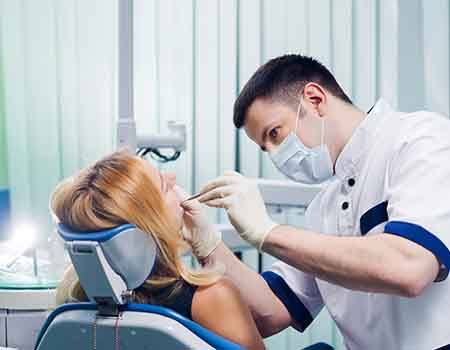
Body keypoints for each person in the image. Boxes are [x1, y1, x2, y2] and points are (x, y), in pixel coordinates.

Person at [181, 55, 450, 349]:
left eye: (274, 133)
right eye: (264, 147)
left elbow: (410, 267)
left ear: (315, 99)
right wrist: (207, 243)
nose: (274, 154)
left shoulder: (421, 140)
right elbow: (270, 312)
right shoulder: (323, 210)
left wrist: (268, 233)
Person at [51, 151, 265, 350]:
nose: (172, 177)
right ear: (153, 223)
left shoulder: (73, 303)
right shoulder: (212, 297)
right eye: (165, 186)